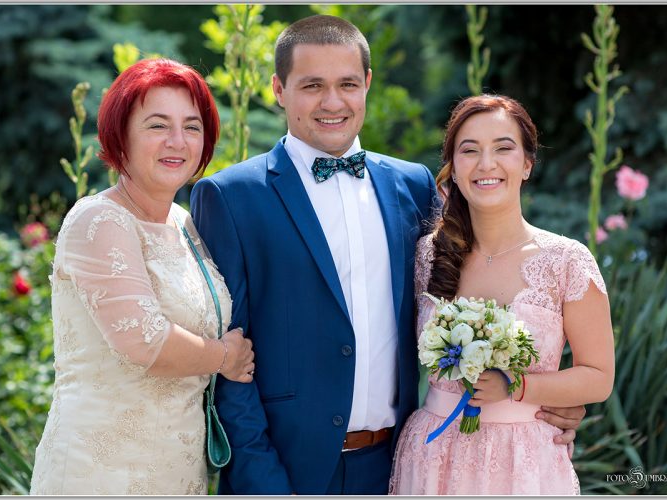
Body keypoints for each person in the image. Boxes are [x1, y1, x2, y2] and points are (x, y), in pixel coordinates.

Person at [192, 15, 584, 495]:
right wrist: (264, 483)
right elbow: (229, 360)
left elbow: (479, 287)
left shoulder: (412, 186)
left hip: (399, 466)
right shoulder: (231, 196)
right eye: (312, 85)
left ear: (367, 84)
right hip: (285, 469)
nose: (332, 102)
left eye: (347, 84)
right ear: (278, 88)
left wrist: (549, 402)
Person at [29, 58, 255, 495]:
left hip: (177, 470)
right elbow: (144, 340)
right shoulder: (99, 219)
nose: (177, 141)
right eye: (157, 125)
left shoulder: (184, 223)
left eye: (192, 127)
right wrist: (224, 357)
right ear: (121, 135)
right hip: (101, 471)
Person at [389, 94, 616, 495]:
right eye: (469, 150)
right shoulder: (427, 255)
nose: (486, 164)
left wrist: (517, 385)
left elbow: (598, 377)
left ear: (527, 164)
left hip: (523, 462)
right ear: (453, 167)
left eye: (503, 148)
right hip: (431, 456)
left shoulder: (567, 260)